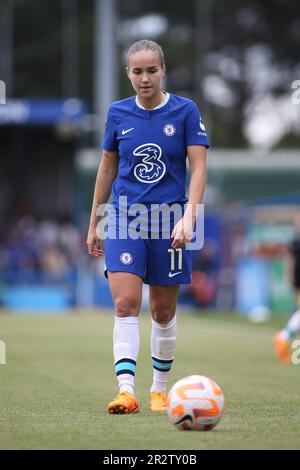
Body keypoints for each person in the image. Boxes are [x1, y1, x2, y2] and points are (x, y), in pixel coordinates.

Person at [87, 40, 208, 414]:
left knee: (162, 312)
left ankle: (159, 389)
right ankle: (126, 390)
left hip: (170, 221)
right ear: (128, 73)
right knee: (125, 303)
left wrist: (190, 217)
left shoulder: (185, 111)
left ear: (163, 70)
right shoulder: (118, 114)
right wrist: (95, 221)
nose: (144, 78)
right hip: (124, 216)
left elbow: (199, 168)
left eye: (151, 70)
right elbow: (107, 168)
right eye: (137, 71)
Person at [273, 236, 300, 363]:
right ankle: (284, 336)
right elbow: (290, 257)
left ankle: (284, 337)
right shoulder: (296, 241)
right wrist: (288, 274)